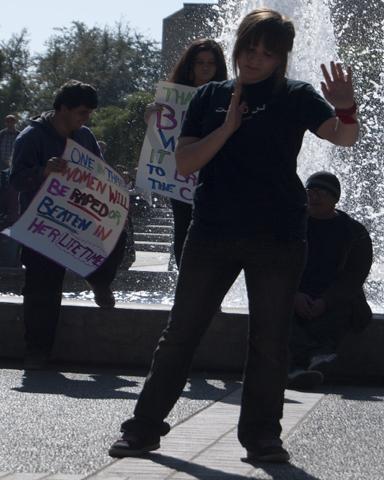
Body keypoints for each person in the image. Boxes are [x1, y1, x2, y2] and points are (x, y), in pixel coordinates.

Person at [109, 8, 359, 463]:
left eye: (266, 53)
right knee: (181, 332)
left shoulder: (296, 95)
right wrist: (227, 128)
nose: (254, 59)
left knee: (270, 339)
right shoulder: (209, 96)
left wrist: (345, 105)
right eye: (249, 48)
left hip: (278, 237)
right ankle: (143, 428)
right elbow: (185, 163)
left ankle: (262, 436)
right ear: (238, 45)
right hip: (212, 232)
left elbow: (343, 139)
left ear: (281, 57)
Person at [10, 80, 127, 369]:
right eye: (82, 112)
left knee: (116, 237)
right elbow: (15, 180)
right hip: (42, 224)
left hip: (80, 218)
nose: (85, 119)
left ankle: (99, 281)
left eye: (88, 114)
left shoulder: (84, 137)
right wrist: (42, 171)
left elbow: (98, 175)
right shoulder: (30, 137)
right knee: (42, 289)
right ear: (63, 108)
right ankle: (37, 351)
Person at [145, 38, 228, 268]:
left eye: (210, 63)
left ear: (218, 67)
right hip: (181, 176)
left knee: (214, 228)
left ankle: (211, 290)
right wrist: (151, 118)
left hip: (215, 175)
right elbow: (159, 140)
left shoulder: (228, 96)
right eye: (199, 62)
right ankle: (187, 285)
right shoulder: (171, 99)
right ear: (189, 66)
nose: (204, 67)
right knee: (183, 227)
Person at [287, 171, 372, 390]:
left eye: (320, 192)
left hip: (334, 297)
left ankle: (305, 362)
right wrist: (294, 293)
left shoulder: (355, 233)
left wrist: (326, 300)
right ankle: (311, 361)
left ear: (335, 198)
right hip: (296, 294)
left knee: (343, 307)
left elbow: (355, 276)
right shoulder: (291, 224)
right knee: (275, 302)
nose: (313, 197)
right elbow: (275, 263)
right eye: (309, 192)